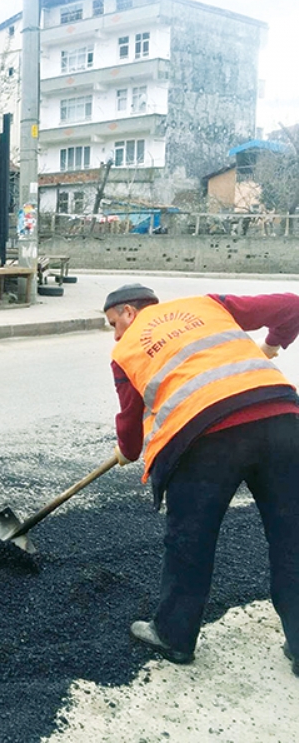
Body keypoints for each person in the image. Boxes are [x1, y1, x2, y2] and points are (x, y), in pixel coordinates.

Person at [103, 283, 299, 675]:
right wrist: (274, 346)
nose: (115, 334)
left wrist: (127, 449)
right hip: (280, 420)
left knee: (190, 539)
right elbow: (293, 306)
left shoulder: (124, 351)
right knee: (292, 535)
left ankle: (174, 636)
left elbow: (130, 420)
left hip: (202, 438)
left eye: (113, 323)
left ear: (128, 311)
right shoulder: (207, 305)